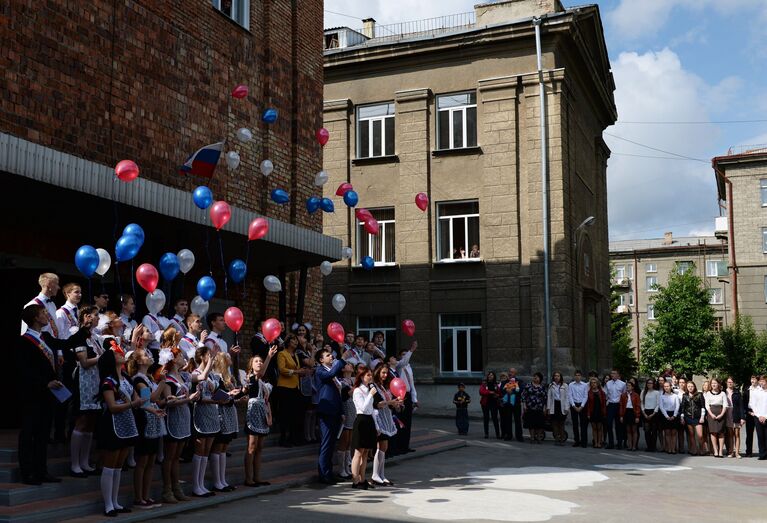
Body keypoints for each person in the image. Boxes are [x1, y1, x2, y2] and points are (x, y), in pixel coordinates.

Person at [16, 304, 87, 485]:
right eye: (42, 313)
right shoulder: (24, 341)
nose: (46, 316)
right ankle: (27, 472)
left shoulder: (45, 337)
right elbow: (25, 371)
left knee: (43, 433)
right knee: (29, 433)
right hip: (33, 393)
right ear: (34, 318)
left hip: (50, 393)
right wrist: (44, 383)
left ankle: (41, 470)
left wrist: (83, 331)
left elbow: (64, 344)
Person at [97, 344, 140, 516]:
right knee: (110, 463)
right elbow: (113, 407)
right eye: (116, 354)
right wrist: (132, 403)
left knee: (119, 465)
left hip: (127, 421)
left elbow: (136, 398)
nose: (120, 354)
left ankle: (115, 501)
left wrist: (141, 402)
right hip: (113, 423)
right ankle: (108, 504)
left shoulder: (126, 378)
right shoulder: (108, 381)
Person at [69, 306, 108, 478]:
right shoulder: (79, 336)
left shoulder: (95, 337)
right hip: (84, 381)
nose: (99, 318)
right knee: (82, 420)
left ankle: (84, 461)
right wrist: (103, 358)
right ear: (86, 317)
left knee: (91, 420)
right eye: (96, 315)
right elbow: (84, 362)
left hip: (96, 380)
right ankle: (75, 463)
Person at [127, 350, 166, 509]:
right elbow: (149, 399)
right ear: (139, 361)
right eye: (145, 355)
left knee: (151, 460)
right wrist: (163, 382)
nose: (149, 356)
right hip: (144, 420)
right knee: (142, 461)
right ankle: (139, 497)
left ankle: (146, 495)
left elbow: (157, 401)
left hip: (154, 419)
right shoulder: (137, 379)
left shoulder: (148, 378)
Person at [160, 347, 199, 503]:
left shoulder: (183, 375)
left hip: (184, 415)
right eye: (181, 355)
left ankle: (177, 488)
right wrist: (189, 399)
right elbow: (170, 402)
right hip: (174, 417)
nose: (184, 357)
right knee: (170, 456)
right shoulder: (168, 379)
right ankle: (167, 489)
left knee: (177, 456)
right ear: (174, 359)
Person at [210, 352, 243, 493]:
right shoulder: (216, 377)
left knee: (224, 447)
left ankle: (222, 480)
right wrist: (229, 396)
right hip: (220, 413)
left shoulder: (228, 377)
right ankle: (217, 481)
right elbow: (217, 396)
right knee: (218, 447)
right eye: (228, 357)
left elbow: (231, 396)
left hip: (229, 412)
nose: (230, 359)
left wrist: (238, 395)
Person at [243, 347, 277, 486]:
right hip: (253, 413)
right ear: (251, 365)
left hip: (262, 413)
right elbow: (259, 374)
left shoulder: (264, 382)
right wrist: (268, 356)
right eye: (256, 361)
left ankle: (257, 477)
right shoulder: (250, 377)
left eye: (261, 361)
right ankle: (248, 478)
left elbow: (267, 400)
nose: (259, 363)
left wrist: (269, 415)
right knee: (251, 446)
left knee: (260, 447)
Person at [314, 348, 347, 484]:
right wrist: (342, 359)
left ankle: (329, 472)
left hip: (335, 411)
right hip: (326, 411)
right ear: (321, 360)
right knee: (326, 443)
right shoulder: (320, 371)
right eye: (328, 355)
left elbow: (338, 393)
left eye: (331, 354)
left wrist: (342, 411)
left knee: (332, 443)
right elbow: (332, 372)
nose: (331, 356)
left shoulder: (332, 373)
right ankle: (324, 475)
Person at [190, 346, 217, 497]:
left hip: (212, 412)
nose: (212, 357)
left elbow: (214, 390)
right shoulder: (196, 373)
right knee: (200, 449)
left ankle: (201, 484)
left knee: (207, 451)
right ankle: (196, 485)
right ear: (202, 357)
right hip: (201, 411)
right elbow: (199, 395)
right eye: (209, 355)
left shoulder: (211, 375)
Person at [370, 363, 401, 486]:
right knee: (380, 445)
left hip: (387, 417)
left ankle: (381, 474)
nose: (385, 375)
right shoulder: (373, 385)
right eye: (383, 372)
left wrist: (396, 403)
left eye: (386, 373)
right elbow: (377, 403)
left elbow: (387, 402)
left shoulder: (384, 386)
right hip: (378, 418)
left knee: (384, 447)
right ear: (377, 372)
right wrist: (390, 402)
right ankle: (375, 475)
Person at [275, 333, 308, 447]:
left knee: (295, 414)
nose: (296, 342)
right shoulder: (282, 354)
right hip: (284, 387)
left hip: (295, 387)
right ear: (288, 342)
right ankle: (283, 439)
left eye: (296, 341)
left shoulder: (296, 355)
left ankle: (293, 438)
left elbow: (296, 370)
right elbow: (282, 369)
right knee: (285, 414)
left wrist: (301, 373)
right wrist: (297, 372)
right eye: (294, 340)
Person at [351, 368, 377, 489]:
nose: (370, 377)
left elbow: (371, 409)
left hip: (369, 421)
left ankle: (362, 478)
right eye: (368, 375)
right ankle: (355, 480)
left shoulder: (368, 389)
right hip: (361, 420)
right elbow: (362, 407)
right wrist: (370, 395)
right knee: (358, 452)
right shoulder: (357, 390)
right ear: (361, 377)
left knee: (366, 452)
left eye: (371, 375)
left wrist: (376, 425)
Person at [391, 341, 418, 454]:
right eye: (402, 354)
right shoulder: (399, 365)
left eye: (405, 354)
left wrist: (414, 399)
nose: (404, 356)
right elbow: (403, 361)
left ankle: (405, 446)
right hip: (399, 396)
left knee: (407, 422)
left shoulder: (409, 367)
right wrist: (411, 350)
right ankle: (399, 446)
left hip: (408, 395)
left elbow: (411, 384)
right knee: (400, 422)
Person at [337, 362, 356, 479]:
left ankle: (347, 467)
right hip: (345, 409)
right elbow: (344, 396)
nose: (349, 366)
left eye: (350, 365)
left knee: (349, 441)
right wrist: (355, 388)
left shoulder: (353, 381)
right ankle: (341, 469)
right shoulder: (341, 381)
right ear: (343, 369)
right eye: (347, 364)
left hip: (353, 411)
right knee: (344, 440)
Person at [705, 377, 730, 458]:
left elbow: (725, 405)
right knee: (713, 432)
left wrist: (721, 414)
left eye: (715, 383)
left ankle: (720, 451)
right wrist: (711, 414)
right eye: (712, 383)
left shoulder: (723, 393)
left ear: (718, 384)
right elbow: (707, 405)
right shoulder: (708, 393)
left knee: (721, 432)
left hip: (721, 413)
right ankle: (715, 450)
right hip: (711, 413)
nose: (713, 385)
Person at [680, 381, 705, 456]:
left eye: (692, 386)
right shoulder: (685, 395)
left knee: (700, 435)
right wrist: (682, 418)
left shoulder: (699, 394)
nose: (690, 388)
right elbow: (683, 408)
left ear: (694, 387)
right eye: (689, 386)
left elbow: (703, 406)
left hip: (698, 417)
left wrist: (702, 417)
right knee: (691, 435)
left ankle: (701, 449)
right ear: (687, 388)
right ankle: (694, 449)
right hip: (688, 417)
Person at [522, 372, 547, 443]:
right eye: (534, 376)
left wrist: (545, 408)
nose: (535, 378)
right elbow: (523, 396)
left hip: (539, 408)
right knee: (531, 423)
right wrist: (524, 406)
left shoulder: (542, 387)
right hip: (530, 408)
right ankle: (532, 438)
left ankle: (538, 438)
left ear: (540, 379)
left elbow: (545, 398)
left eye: (537, 377)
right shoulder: (528, 386)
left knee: (539, 424)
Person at [604, 368, 626, 449]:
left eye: (614, 373)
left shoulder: (622, 384)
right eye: (611, 373)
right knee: (609, 424)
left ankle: (619, 443)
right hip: (610, 405)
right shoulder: (608, 383)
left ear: (618, 375)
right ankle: (611, 443)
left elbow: (624, 395)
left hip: (618, 405)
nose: (612, 375)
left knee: (619, 425)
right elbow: (606, 394)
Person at [547, 371, 569, 445]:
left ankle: (562, 439)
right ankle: (556, 438)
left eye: (558, 376)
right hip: (554, 405)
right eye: (555, 376)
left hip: (562, 405)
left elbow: (567, 397)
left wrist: (566, 407)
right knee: (554, 423)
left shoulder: (565, 385)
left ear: (560, 377)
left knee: (561, 423)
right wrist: (548, 408)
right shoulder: (551, 385)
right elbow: (549, 397)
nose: (556, 377)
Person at [568, 370, 589, 448]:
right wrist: (574, 406)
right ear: (574, 376)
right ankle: (576, 440)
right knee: (575, 424)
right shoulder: (571, 385)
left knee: (583, 424)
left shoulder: (584, 385)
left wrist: (581, 406)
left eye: (579, 375)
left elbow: (585, 396)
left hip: (582, 405)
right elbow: (570, 396)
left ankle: (584, 441)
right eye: (576, 375)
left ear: (581, 376)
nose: (577, 376)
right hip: (574, 405)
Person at [618, 380, 641, 451]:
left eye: (629, 386)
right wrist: (621, 416)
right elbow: (621, 406)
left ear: (632, 387)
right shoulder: (623, 395)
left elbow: (638, 406)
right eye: (627, 386)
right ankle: (629, 445)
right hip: (626, 412)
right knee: (628, 430)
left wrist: (637, 416)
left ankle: (634, 446)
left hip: (633, 412)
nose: (628, 387)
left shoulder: (636, 395)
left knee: (634, 430)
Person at [659, 380, 681, 454]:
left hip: (674, 414)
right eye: (665, 386)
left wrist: (674, 415)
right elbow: (661, 407)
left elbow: (677, 406)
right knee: (667, 433)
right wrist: (667, 416)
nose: (666, 388)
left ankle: (673, 448)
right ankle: (669, 448)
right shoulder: (662, 396)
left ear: (671, 387)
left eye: (667, 386)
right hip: (665, 415)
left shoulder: (675, 396)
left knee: (674, 433)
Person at [500, 372, 522, 441]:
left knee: (518, 420)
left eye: (512, 372)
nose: (510, 374)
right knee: (508, 420)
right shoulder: (505, 382)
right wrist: (506, 390)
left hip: (516, 404)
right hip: (508, 404)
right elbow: (501, 389)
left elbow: (521, 390)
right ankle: (508, 435)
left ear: (515, 374)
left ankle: (519, 436)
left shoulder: (519, 381)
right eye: (509, 372)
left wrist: (513, 391)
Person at [749, 375, 767, 460]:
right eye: (760, 381)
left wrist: (765, 416)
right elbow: (753, 404)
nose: (761, 383)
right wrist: (759, 415)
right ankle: (762, 454)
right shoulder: (757, 392)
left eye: (763, 381)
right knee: (760, 436)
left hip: (766, 416)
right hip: (758, 416)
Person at [726, 377, 744, 458]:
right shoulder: (723, 392)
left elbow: (741, 405)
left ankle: (737, 452)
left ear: (733, 383)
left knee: (737, 434)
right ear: (726, 383)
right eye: (728, 382)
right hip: (727, 413)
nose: (730, 383)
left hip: (736, 413)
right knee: (730, 434)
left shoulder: (737, 392)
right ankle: (731, 451)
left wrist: (742, 417)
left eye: (731, 382)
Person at [585, 377, 606, 448]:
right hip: (592, 412)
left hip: (600, 411)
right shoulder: (589, 393)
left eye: (595, 383)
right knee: (594, 428)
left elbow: (604, 404)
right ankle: (595, 442)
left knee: (599, 428)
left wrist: (604, 412)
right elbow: (587, 405)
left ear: (597, 384)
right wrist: (588, 413)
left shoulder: (601, 392)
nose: (593, 384)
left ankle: (599, 442)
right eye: (592, 383)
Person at [479, 372, 501, 439]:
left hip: (494, 403)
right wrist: (489, 392)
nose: (490, 376)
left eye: (492, 375)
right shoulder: (484, 384)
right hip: (485, 403)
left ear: (494, 376)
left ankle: (498, 434)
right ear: (487, 376)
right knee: (486, 418)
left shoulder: (496, 384)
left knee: (495, 419)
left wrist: (497, 395)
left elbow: (499, 393)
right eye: (489, 375)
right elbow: (481, 392)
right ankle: (486, 434)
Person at [641, 378, 660, 452]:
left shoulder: (656, 392)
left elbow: (658, 404)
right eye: (648, 383)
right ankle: (648, 446)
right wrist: (644, 413)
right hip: (645, 412)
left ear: (653, 384)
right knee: (647, 431)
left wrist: (653, 414)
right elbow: (641, 403)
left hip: (654, 412)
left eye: (651, 383)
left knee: (654, 431)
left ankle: (653, 446)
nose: (649, 384)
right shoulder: (643, 392)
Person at [743, 375, 758, 457]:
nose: (753, 380)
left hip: (759, 413)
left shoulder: (760, 390)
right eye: (751, 379)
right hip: (750, 413)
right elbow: (744, 402)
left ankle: (763, 452)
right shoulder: (747, 389)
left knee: (761, 434)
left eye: (754, 379)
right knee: (749, 434)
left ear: (757, 380)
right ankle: (748, 452)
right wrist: (748, 412)